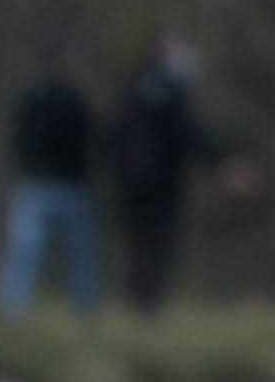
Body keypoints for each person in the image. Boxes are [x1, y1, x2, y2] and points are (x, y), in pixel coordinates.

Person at [107, 34, 249, 311]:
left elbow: (113, 133)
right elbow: (188, 135)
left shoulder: (134, 86)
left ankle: (137, 303)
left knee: (138, 243)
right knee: (159, 243)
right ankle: (148, 306)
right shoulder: (172, 93)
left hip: (130, 181)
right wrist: (221, 165)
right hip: (160, 183)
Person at [0, 53, 102, 316]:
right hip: (57, 186)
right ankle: (83, 313)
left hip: (44, 185)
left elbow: (17, 141)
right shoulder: (73, 102)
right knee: (61, 254)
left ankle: (14, 311)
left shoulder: (34, 102)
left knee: (30, 253)